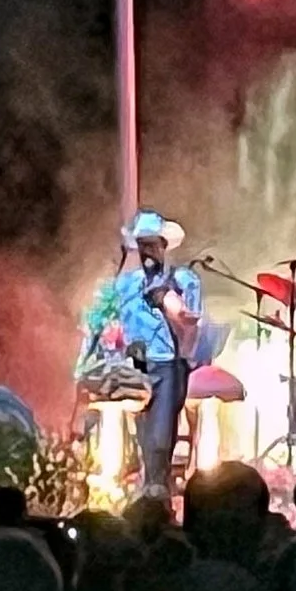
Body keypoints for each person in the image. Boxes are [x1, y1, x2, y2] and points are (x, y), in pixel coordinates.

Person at [77, 208, 203, 501]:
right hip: (137, 364)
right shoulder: (127, 285)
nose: (148, 251)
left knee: (161, 436)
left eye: (153, 244)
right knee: (144, 436)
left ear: (163, 246)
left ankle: (158, 495)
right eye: (143, 245)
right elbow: (102, 318)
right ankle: (148, 494)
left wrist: (167, 302)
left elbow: (192, 324)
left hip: (168, 365)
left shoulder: (183, 280)